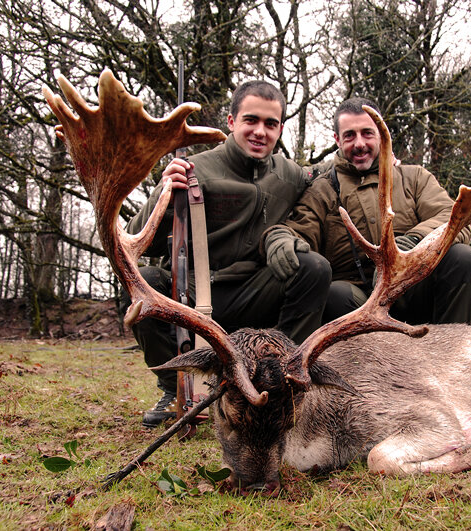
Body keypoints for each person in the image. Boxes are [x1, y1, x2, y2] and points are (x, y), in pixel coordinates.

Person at [121, 81, 331, 428]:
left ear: (280, 129)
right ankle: (174, 387)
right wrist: (162, 192)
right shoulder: (194, 170)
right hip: (194, 300)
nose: (260, 131)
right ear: (231, 122)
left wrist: (383, 156)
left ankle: (282, 381)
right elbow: (138, 242)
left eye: (270, 123)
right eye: (251, 120)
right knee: (143, 281)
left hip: (254, 295)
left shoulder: (290, 175)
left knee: (313, 268)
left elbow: (329, 175)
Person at [277, 97, 471, 325]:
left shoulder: (415, 178)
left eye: (367, 133)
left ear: (383, 134)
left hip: (413, 289)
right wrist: (280, 240)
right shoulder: (321, 191)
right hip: (357, 301)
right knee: (336, 294)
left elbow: (455, 219)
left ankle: (451, 354)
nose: (359, 143)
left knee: (464, 258)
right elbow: (299, 234)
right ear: (337, 139)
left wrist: (413, 242)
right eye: (349, 136)